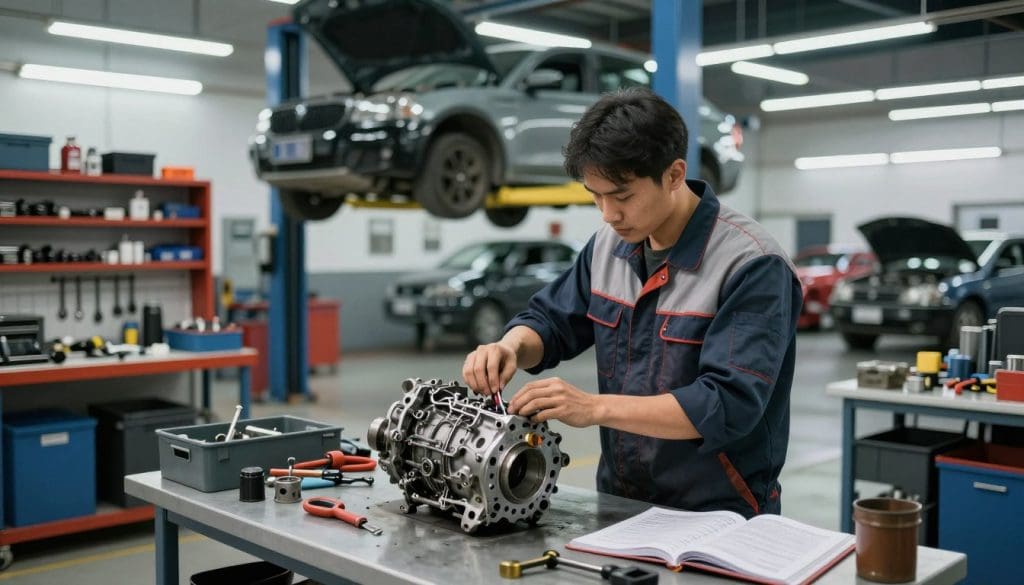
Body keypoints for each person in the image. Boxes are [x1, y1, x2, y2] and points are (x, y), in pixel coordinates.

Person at [461, 87, 802, 518]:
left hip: (719, 510)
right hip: (621, 499)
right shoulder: (607, 246)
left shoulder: (751, 263)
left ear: (675, 175)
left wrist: (593, 408)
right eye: (595, 195)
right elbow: (551, 319)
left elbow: (726, 405)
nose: (607, 214)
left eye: (622, 196)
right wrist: (509, 347)